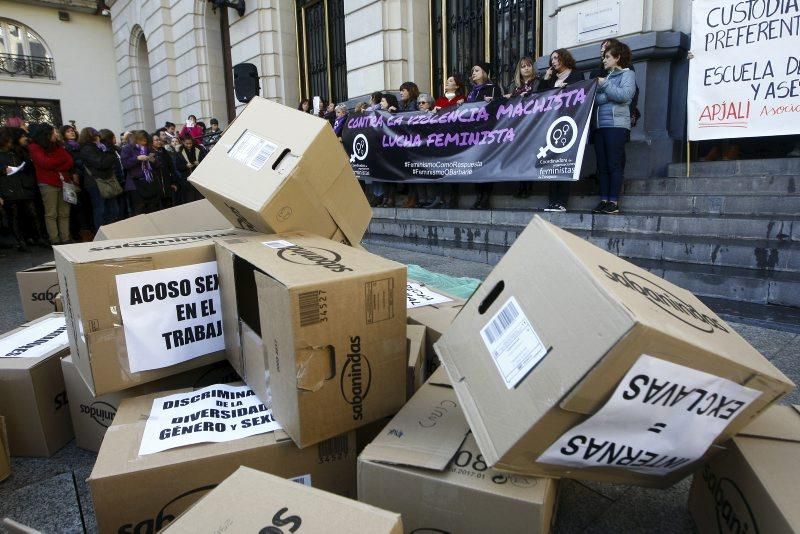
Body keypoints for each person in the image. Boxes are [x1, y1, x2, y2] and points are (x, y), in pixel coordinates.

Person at [592, 42, 636, 215]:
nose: (604, 60)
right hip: (600, 125)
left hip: (616, 125)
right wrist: (609, 93)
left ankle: (613, 201)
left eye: (608, 57)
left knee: (614, 164)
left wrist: (605, 86)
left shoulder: (628, 74)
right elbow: (596, 100)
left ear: (617, 57)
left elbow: (625, 96)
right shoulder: (607, 77)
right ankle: (604, 200)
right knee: (602, 165)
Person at [27, 123, 74, 245]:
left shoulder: (57, 146)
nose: (56, 134)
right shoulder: (34, 147)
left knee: (64, 212)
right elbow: (44, 163)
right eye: (53, 133)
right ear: (46, 135)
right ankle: (55, 239)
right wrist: (59, 164)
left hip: (64, 182)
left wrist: (56, 167)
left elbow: (69, 161)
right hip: (48, 183)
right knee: (51, 213)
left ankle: (65, 238)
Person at [0, 127, 46, 250]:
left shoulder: (17, 152)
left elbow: (28, 165)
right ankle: (21, 241)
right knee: (14, 216)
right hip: (8, 188)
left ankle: (36, 237)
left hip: (22, 187)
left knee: (31, 213)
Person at [466, 62, 502, 210]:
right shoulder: (472, 92)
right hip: (473, 132)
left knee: (485, 163)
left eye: (477, 70)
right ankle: (478, 196)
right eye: (472, 70)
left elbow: (501, 107)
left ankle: (485, 197)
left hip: (487, 131)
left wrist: (492, 102)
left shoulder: (493, 88)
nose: (473, 73)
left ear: (485, 72)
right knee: (475, 164)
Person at [507, 57, 540, 199]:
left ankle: (528, 186)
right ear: (519, 70)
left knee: (530, 154)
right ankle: (520, 185)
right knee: (519, 154)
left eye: (528, 66)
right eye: (523, 66)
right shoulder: (513, 86)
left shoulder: (538, 82)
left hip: (533, 123)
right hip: (517, 125)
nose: (526, 68)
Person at [79, 127, 120, 231]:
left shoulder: (100, 147)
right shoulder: (87, 149)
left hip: (105, 180)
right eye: (96, 135)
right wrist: (110, 152)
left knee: (113, 209)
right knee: (101, 210)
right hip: (96, 182)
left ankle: (111, 230)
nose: (99, 137)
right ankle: (101, 233)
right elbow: (101, 163)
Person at [121, 131, 161, 215]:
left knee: (152, 207)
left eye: (145, 141)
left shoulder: (149, 148)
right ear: (136, 139)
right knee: (139, 208)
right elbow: (125, 164)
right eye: (142, 140)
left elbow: (157, 164)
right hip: (135, 183)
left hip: (149, 181)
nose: (144, 143)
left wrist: (153, 160)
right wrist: (137, 159)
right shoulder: (127, 148)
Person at [176, 133, 207, 203]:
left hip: (198, 179)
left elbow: (205, 162)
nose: (189, 145)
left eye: (190, 143)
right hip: (187, 181)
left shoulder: (199, 150)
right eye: (187, 144)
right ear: (183, 142)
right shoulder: (179, 152)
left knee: (200, 199)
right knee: (189, 200)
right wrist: (185, 166)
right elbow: (177, 166)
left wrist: (199, 163)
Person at [151, 134, 178, 209]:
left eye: (159, 139)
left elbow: (171, 167)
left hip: (167, 183)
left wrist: (173, 182)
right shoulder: (149, 153)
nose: (159, 141)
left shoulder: (163, 151)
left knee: (169, 204)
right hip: (157, 184)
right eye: (156, 140)